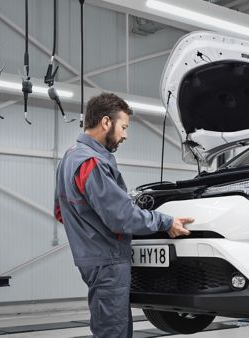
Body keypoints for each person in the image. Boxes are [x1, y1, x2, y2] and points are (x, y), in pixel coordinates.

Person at [54, 93, 192, 338]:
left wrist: (88, 232)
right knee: (113, 331)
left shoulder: (69, 157)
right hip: (107, 260)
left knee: (112, 326)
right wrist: (166, 221)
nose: (125, 135)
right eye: (124, 127)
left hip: (93, 258)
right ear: (106, 122)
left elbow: (60, 212)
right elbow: (122, 217)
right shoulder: (91, 162)